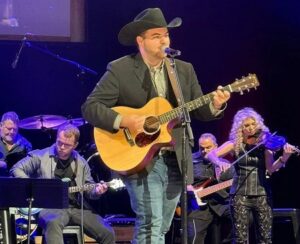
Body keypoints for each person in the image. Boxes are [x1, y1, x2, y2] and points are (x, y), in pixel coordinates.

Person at [81, 8, 230, 244]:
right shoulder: (120, 69)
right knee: (151, 224)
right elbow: (90, 107)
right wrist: (127, 120)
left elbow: (198, 110)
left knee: (162, 226)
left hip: (177, 158)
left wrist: (215, 105)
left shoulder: (183, 69)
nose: (164, 40)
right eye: (156, 36)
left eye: (166, 35)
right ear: (140, 41)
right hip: (141, 159)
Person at [10, 124, 115, 244]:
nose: (61, 147)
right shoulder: (40, 156)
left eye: (67, 145)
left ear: (75, 145)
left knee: (108, 232)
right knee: (53, 222)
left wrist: (97, 191)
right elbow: (16, 169)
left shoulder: (81, 162)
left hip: (76, 208)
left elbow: (89, 189)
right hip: (50, 208)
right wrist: (35, 187)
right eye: (59, 142)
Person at [207, 107, 294, 244]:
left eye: (253, 124)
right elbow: (211, 154)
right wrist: (218, 162)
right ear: (240, 128)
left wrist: (284, 157)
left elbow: (270, 169)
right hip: (239, 196)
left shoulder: (265, 143)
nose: (251, 128)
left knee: (265, 239)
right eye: (246, 125)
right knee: (240, 239)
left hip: (262, 195)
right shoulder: (234, 144)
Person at [187, 133, 234, 244]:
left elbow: (234, 185)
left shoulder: (225, 164)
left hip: (221, 204)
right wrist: (187, 187)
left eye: (208, 147)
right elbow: (179, 180)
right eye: (201, 148)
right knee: (192, 238)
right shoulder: (190, 161)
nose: (205, 151)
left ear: (216, 147)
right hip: (197, 207)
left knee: (246, 218)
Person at [0, 111, 32, 176]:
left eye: (14, 129)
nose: (12, 132)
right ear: (1, 125)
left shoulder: (25, 145)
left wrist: (6, 165)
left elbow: (29, 169)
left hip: (16, 183)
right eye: (9, 129)